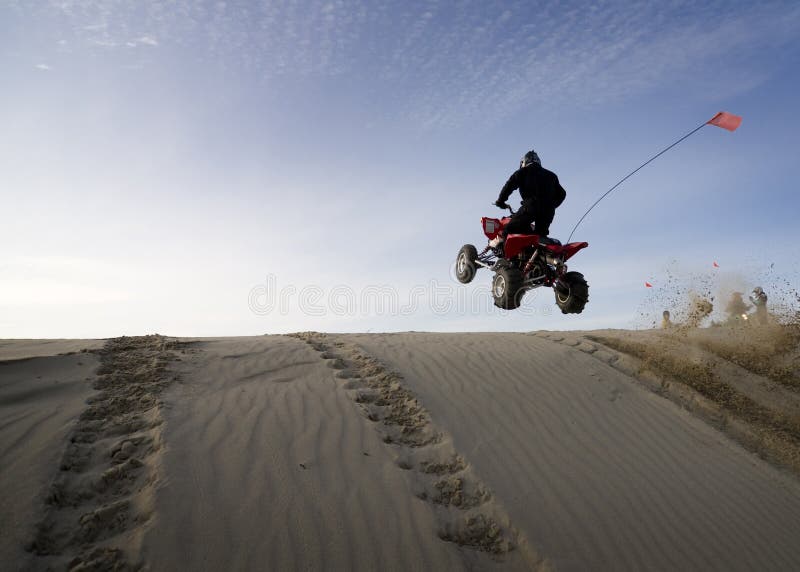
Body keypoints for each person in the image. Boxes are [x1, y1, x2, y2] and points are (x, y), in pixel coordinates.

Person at [494, 150, 567, 238]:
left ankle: (507, 252)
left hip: (531, 207)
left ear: (524, 162)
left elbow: (509, 186)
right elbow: (562, 194)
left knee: (508, 230)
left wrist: (500, 201)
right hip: (548, 212)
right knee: (540, 236)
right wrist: (551, 205)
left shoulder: (523, 172)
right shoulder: (552, 175)